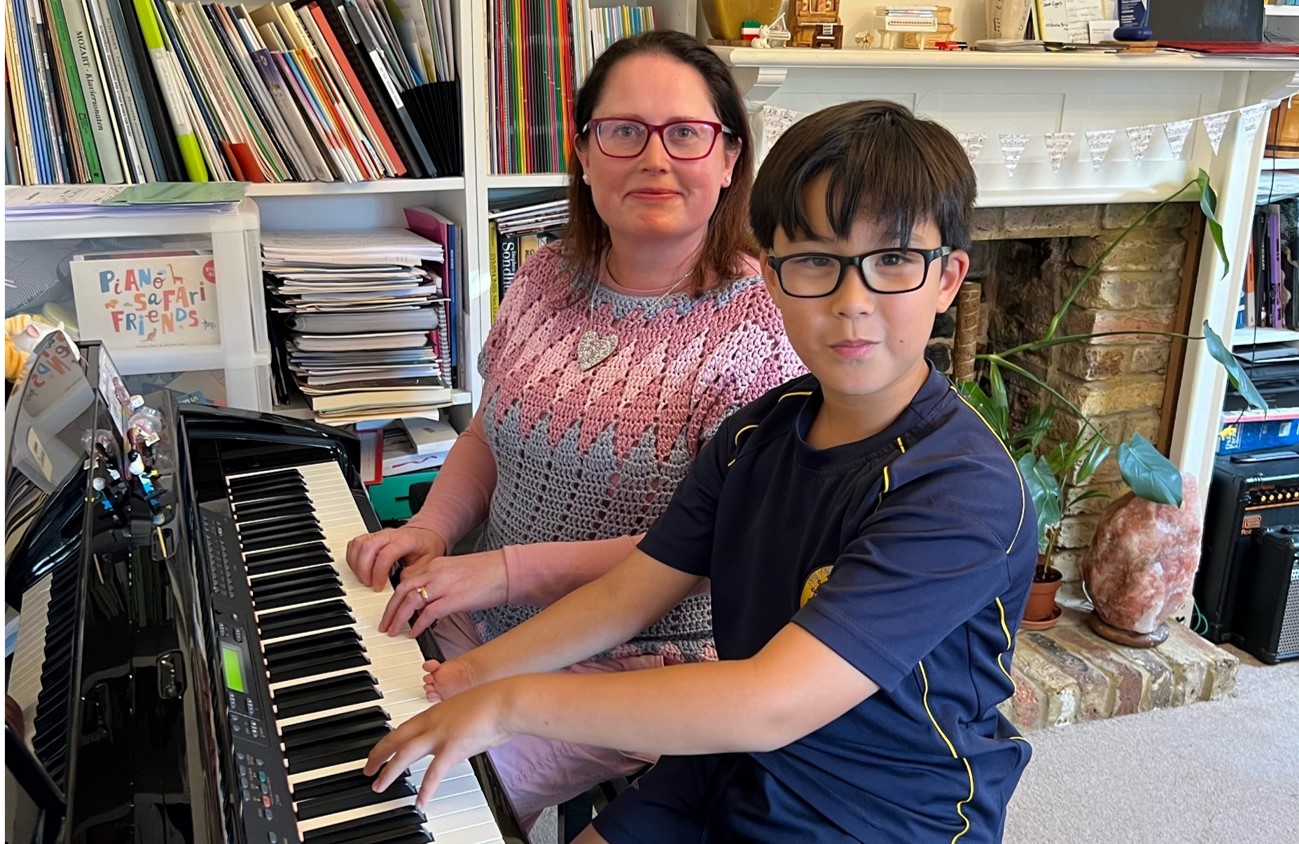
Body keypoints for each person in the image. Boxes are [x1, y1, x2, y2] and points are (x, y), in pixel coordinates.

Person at [363, 100, 1038, 842]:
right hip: (728, 764)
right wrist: (469, 675)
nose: (853, 303)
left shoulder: (960, 492)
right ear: (772, 278)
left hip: (874, 810)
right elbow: (629, 593)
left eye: (892, 262)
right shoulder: (757, 431)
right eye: (815, 260)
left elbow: (770, 700)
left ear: (947, 280)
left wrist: (508, 704)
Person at [344, 30, 805, 827]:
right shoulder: (543, 275)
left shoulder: (761, 329)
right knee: (341, 717)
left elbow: (710, 549)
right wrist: (431, 528)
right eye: (623, 131)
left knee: (414, 803)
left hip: (636, 663)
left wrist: (502, 572)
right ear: (586, 154)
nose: (653, 158)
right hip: (481, 613)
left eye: (686, 133)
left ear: (730, 160)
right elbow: (489, 433)